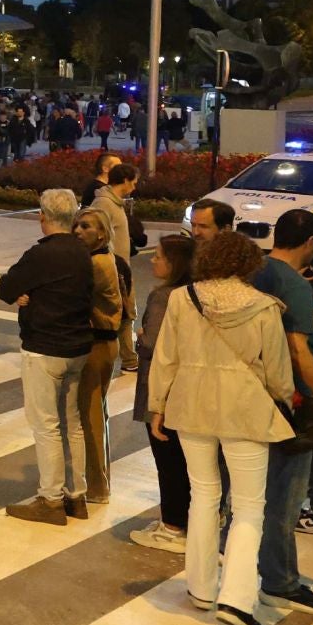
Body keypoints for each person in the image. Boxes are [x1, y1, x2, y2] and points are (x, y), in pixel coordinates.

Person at [147, 231, 295, 625]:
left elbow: (166, 357)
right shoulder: (264, 307)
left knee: (203, 494)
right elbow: (279, 373)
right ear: (249, 264)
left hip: (190, 404)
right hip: (244, 408)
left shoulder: (182, 298)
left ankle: (199, 587)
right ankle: (238, 598)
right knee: (249, 506)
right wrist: (284, 399)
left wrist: (157, 405)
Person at [0, 188, 96, 522]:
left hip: (44, 347)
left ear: (43, 216)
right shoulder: (82, 252)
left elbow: (6, 287)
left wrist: (26, 294)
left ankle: (51, 499)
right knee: (72, 424)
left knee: (46, 426)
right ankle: (76, 495)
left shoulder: (41, 255)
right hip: (77, 347)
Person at [250, 209, 313, 615]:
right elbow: (298, 350)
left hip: (252, 396)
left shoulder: (254, 270)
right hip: (294, 403)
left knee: (251, 489)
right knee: (286, 496)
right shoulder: (294, 285)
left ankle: (239, 553)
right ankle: (280, 579)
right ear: (310, 242)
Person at [130, 234, 196, 553]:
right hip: (186, 387)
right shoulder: (194, 292)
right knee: (183, 459)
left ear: (174, 263)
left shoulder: (164, 297)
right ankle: (183, 520)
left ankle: (172, 525)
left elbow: (155, 346)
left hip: (160, 387)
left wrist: (140, 338)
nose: (153, 261)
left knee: (167, 458)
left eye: (158, 256)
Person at [71, 209, 126, 502]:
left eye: (86, 226)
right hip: (103, 344)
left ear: (102, 234)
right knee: (95, 412)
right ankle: (97, 480)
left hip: (97, 345)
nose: (78, 230)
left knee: (89, 414)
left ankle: (95, 486)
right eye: (76, 225)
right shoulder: (107, 259)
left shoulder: (96, 263)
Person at [87, 161, 139, 372]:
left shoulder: (115, 203)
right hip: (113, 269)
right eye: (133, 182)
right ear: (125, 181)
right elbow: (95, 235)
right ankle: (129, 360)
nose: (135, 187)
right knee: (125, 313)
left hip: (121, 267)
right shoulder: (104, 205)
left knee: (127, 313)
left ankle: (129, 359)